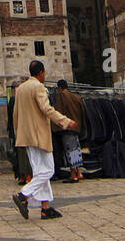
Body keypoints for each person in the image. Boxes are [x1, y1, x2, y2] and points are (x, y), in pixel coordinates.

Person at [12, 60, 78, 220]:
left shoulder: (20, 89)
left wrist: (18, 133)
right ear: (41, 73)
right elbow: (47, 109)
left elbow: (16, 114)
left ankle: (45, 208)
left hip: (26, 136)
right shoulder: (38, 87)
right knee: (48, 170)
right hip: (39, 135)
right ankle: (23, 195)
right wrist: (65, 121)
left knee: (40, 171)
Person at [54, 80, 86, 182]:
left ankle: (73, 174)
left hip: (67, 127)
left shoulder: (62, 96)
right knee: (76, 149)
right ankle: (79, 172)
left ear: (59, 88)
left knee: (70, 150)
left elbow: (58, 112)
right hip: (76, 128)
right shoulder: (75, 97)